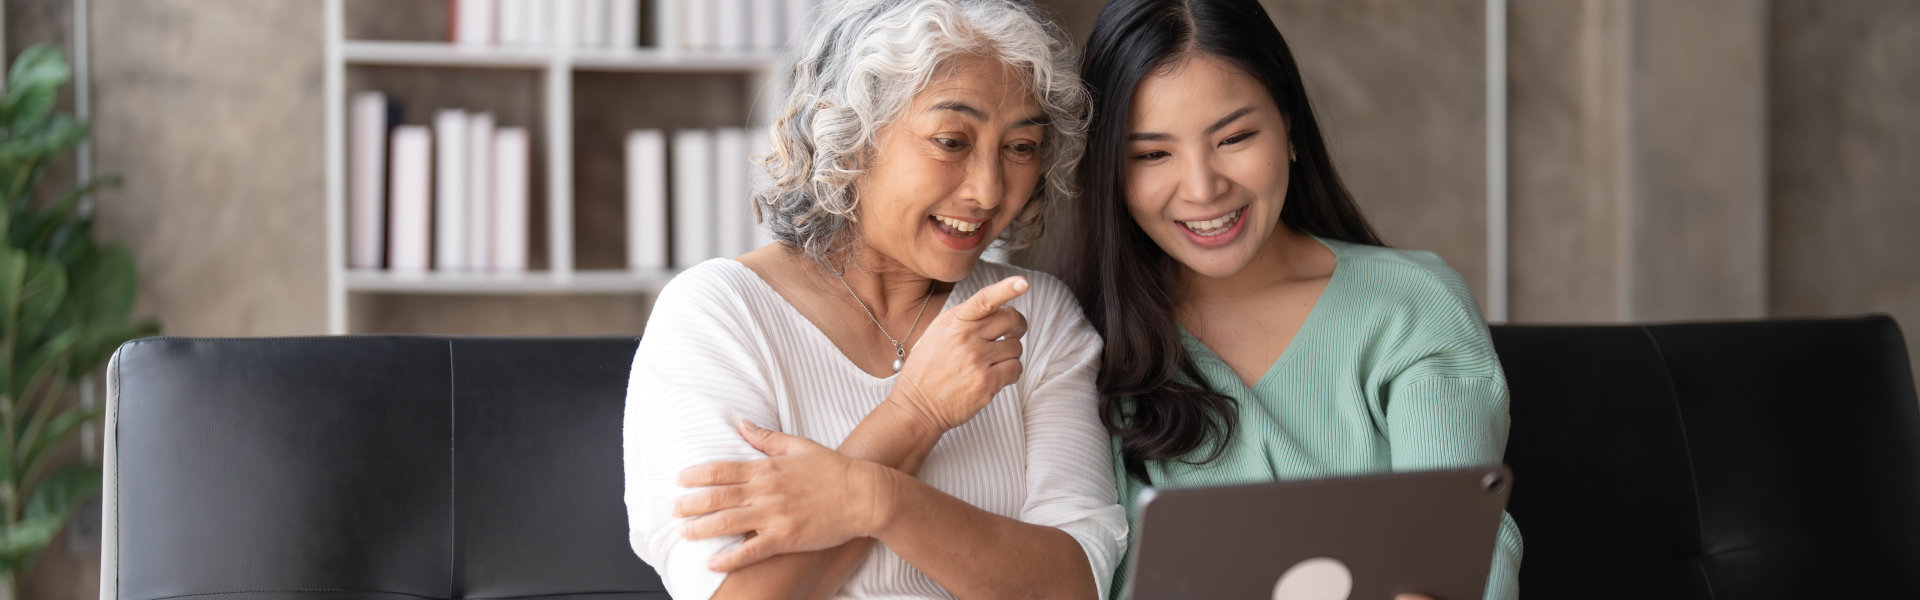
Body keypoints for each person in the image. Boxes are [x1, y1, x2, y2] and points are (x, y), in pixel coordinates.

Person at [623, 1, 1124, 598]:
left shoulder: (1038, 317)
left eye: (1020, 148)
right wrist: (915, 414)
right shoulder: (717, 315)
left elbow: (1074, 585)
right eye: (950, 140)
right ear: (848, 137)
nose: (989, 189)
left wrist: (875, 499)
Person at [1057, 0, 1524, 598]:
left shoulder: (1409, 306)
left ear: (1291, 129)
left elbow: (1456, 556)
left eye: (1234, 137)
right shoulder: (1076, 340)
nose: (1203, 188)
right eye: (1152, 154)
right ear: (1110, 173)